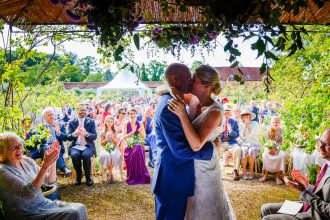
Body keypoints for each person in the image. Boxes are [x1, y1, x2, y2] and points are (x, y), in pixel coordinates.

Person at [152, 63, 214, 220]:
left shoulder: (170, 99)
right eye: (188, 78)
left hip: (173, 176)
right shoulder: (169, 107)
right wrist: (211, 149)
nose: (191, 82)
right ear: (175, 78)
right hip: (173, 179)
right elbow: (180, 150)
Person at [168, 64, 231, 219]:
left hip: (205, 169)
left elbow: (196, 145)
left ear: (207, 85)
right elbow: (166, 89)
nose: (189, 83)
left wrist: (182, 114)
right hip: (189, 166)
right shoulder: (193, 101)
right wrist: (172, 90)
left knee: (205, 207)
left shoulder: (215, 112)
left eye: (194, 80)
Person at [0, 132, 88, 219]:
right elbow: (29, 193)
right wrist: (45, 165)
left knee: (80, 208)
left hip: (42, 204)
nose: (19, 148)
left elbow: (50, 181)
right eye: (12, 146)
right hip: (24, 212)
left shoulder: (26, 161)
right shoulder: (3, 171)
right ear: (2, 153)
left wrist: (53, 162)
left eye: (19, 144)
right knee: (74, 213)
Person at [261, 129, 330, 220]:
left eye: (327, 144)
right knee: (265, 209)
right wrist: (306, 186)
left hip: (317, 215)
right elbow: (323, 194)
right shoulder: (327, 164)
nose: (321, 146)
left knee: (268, 219)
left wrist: (305, 192)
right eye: (320, 142)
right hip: (309, 206)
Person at [68, 104, 97, 186]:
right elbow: (68, 137)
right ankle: (79, 176)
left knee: (86, 155)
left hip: (87, 146)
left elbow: (94, 136)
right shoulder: (71, 122)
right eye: (81, 110)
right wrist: (75, 134)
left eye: (84, 110)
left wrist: (87, 133)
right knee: (74, 155)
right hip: (75, 146)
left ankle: (88, 177)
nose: (83, 112)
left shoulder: (90, 121)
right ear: (77, 111)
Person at [122, 107, 150, 185]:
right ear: (128, 115)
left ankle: (139, 175)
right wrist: (133, 132)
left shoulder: (140, 123)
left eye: (134, 113)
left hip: (138, 142)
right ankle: (132, 176)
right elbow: (124, 137)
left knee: (137, 147)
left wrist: (140, 131)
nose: (132, 115)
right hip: (129, 143)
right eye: (131, 113)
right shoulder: (125, 124)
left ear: (136, 114)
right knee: (135, 148)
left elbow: (144, 137)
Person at [41, 107, 71, 176]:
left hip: (59, 148)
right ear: (44, 117)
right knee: (53, 149)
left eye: (52, 114)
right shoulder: (42, 128)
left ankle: (52, 181)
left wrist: (58, 132)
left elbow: (65, 138)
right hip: (46, 148)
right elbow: (40, 141)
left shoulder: (60, 125)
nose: (51, 116)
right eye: (49, 115)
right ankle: (64, 168)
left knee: (55, 149)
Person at [259, 116, 287, 185]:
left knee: (282, 155)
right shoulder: (268, 131)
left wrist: (277, 149)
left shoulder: (282, 131)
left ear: (279, 123)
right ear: (271, 123)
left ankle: (277, 176)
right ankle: (265, 175)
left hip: (279, 147)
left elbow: (283, 144)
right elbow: (267, 143)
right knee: (265, 155)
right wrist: (270, 149)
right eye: (273, 122)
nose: (275, 124)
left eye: (276, 122)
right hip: (270, 147)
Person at [99, 115, 123, 184]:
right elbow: (102, 144)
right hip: (105, 148)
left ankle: (109, 173)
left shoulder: (114, 131)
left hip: (114, 147)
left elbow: (116, 143)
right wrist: (106, 138)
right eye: (108, 122)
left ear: (113, 123)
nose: (109, 123)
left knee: (113, 154)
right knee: (107, 155)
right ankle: (110, 174)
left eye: (111, 122)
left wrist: (112, 138)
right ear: (105, 122)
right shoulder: (102, 132)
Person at [239, 109, 260, 180]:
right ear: (242, 117)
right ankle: (244, 171)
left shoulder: (255, 123)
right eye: (244, 115)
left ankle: (251, 171)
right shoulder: (241, 124)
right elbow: (242, 137)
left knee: (251, 150)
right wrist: (245, 126)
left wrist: (248, 126)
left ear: (250, 116)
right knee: (244, 150)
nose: (245, 117)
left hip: (254, 143)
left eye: (247, 115)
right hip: (245, 144)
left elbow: (254, 135)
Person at [220, 107, 241, 181]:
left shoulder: (234, 122)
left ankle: (236, 170)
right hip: (221, 143)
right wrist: (220, 131)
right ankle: (216, 171)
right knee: (215, 151)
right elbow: (214, 133)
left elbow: (237, 135)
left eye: (228, 113)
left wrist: (230, 130)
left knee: (237, 149)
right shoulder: (219, 121)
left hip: (231, 142)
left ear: (230, 114)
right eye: (225, 113)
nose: (226, 115)